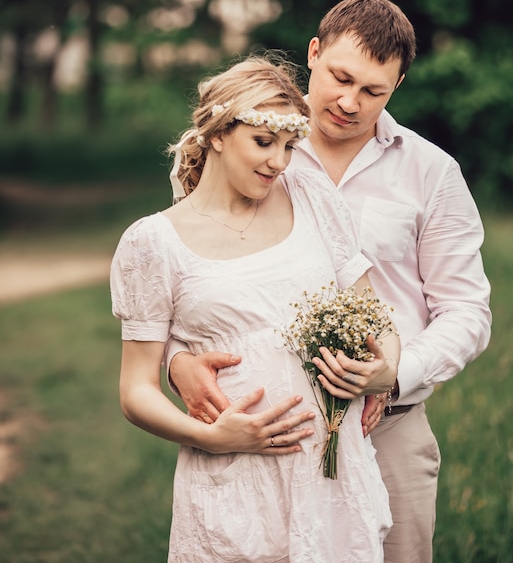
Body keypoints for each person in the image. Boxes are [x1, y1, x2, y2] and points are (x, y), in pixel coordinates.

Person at [165, 0, 492, 563]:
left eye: (374, 91)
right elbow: (188, 276)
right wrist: (177, 361)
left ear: (398, 86)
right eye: (341, 78)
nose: (349, 102)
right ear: (313, 54)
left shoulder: (432, 172)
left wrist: (393, 374)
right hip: (266, 431)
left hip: (387, 431)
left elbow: (467, 311)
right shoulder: (255, 145)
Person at [110, 55, 401, 563]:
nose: (279, 162)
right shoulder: (152, 242)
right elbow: (136, 390)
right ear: (219, 134)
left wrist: (384, 368)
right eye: (263, 143)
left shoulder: (310, 197)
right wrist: (213, 437)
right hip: (234, 482)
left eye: (289, 145)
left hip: (329, 472)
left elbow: (373, 316)